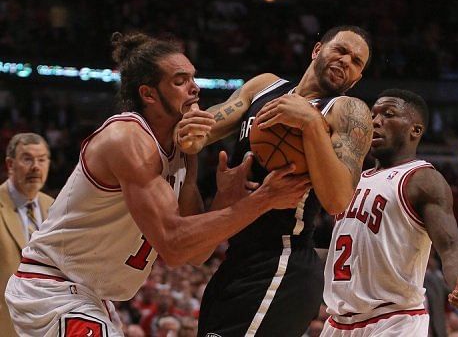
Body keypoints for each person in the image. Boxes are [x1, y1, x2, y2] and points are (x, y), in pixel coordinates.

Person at [4, 32, 311, 336]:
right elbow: (174, 246)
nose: (194, 88)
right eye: (180, 81)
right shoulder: (127, 140)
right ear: (149, 94)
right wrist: (264, 199)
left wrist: (223, 201)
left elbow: (196, 254)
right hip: (52, 288)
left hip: (91, 297)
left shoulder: (183, 150)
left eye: (193, 78)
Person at [176, 25, 374, 336]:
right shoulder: (265, 86)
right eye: (341, 50)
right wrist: (191, 134)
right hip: (236, 255)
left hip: (283, 262)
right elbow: (207, 128)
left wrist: (310, 123)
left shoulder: (347, 111)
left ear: (357, 78)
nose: (347, 61)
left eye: (356, 61)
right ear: (317, 49)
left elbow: (338, 200)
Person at [320, 89, 458, 336]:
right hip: (338, 323)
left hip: (394, 321)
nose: (375, 121)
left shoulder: (422, 179)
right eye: (373, 114)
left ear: (415, 130)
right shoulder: (351, 179)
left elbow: (450, 246)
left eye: (388, 114)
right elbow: (341, 252)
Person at [0, 132, 54, 337]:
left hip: (49, 326)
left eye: (41, 160)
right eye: (27, 159)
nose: (35, 167)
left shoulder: (56, 207)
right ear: (10, 165)